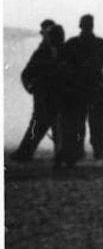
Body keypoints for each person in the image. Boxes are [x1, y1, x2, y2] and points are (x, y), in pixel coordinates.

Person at [64, 14, 103, 161]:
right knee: (97, 121)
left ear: (80, 25)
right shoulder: (99, 44)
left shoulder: (72, 44)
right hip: (94, 86)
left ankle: (78, 152)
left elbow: (61, 63)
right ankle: (98, 151)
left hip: (78, 88)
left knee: (78, 121)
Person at [14, 21, 69, 162]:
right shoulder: (43, 53)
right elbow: (26, 74)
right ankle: (25, 153)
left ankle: (58, 155)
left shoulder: (66, 52)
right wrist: (31, 87)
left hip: (57, 96)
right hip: (45, 96)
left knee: (54, 126)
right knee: (41, 125)